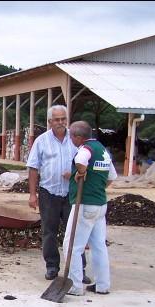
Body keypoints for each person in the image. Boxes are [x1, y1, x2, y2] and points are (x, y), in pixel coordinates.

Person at [26, 105, 90, 282]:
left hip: (72, 194)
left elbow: (88, 165)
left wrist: (75, 173)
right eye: (57, 119)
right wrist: (33, 194)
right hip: (49, 193)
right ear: (50, 122)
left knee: (76, 232)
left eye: (63, 119)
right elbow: (33, 168)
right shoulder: (41, 141)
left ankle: (79, 270)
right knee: (49, 232)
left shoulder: (76, 139)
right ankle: (52, 266)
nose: (61, 122)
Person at [63, 121, 117, 295]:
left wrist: (81, 170)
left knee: (72, 245)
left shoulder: (86, 149)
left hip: (85, 205)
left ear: (78, 136)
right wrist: (96, 186)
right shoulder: (102, 150)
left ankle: (75, 286)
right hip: (100, 205)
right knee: (99, 246)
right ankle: (103, 285)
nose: (70, 138)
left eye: (71, 135)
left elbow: (80, 160)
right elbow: (111, 176)